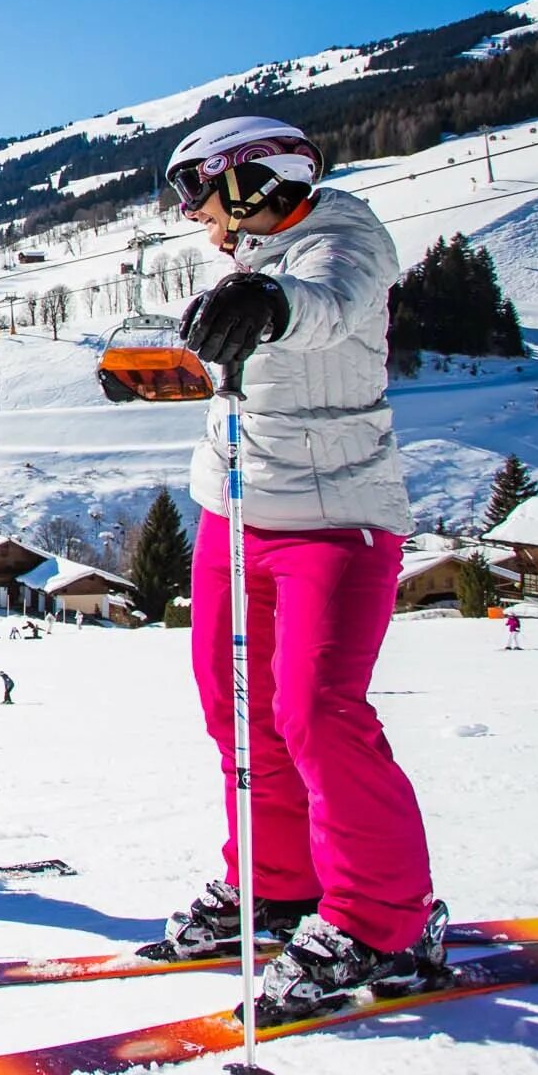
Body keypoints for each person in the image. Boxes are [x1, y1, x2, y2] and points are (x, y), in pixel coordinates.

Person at [150, 116, 447, 1022]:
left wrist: (268, 311)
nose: (191, 215)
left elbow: (327, 304)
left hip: (336, 518)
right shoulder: (241, 260)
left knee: (316, 712)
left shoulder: (344, 240)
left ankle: (384, 924)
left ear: (247, 181)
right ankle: (277, 887)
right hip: (233, 514)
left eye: (194, 193)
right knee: (233, 709)